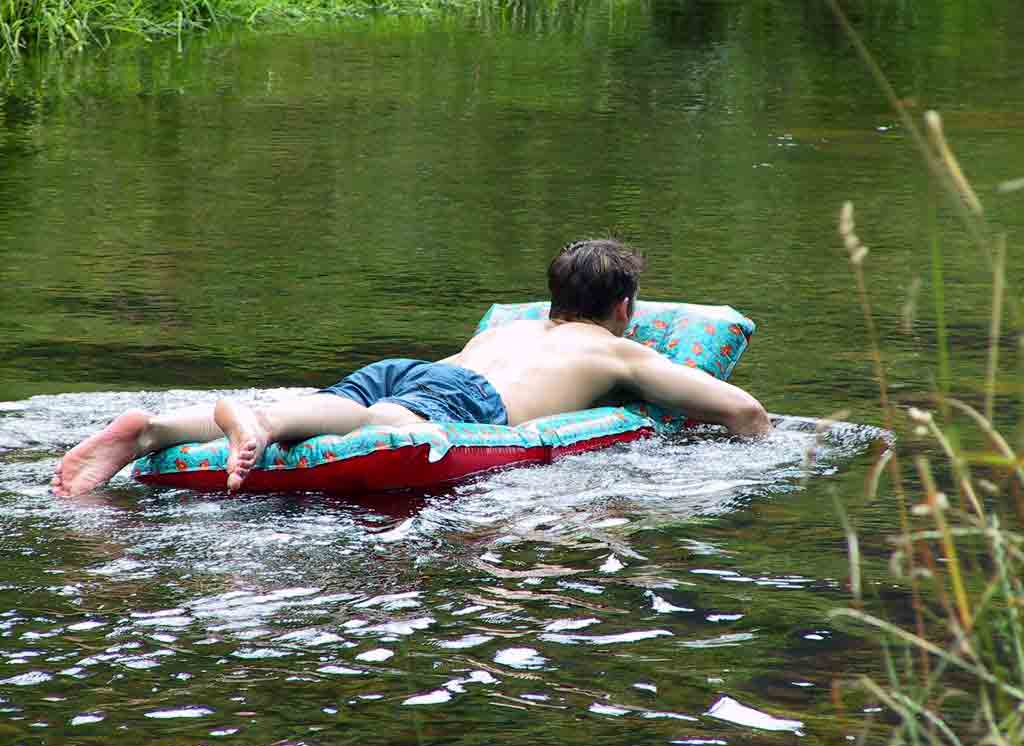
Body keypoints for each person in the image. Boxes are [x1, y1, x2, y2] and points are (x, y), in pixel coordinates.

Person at [52, 239, 771, 497]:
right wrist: (753, 456)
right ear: (624, 306)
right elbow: (742, 409)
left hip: (416, 367)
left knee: (350, 404)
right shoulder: (617, 349)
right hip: (465, 396)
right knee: (376, 422)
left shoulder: (513, 327)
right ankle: (262, 420)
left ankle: (152, 432)